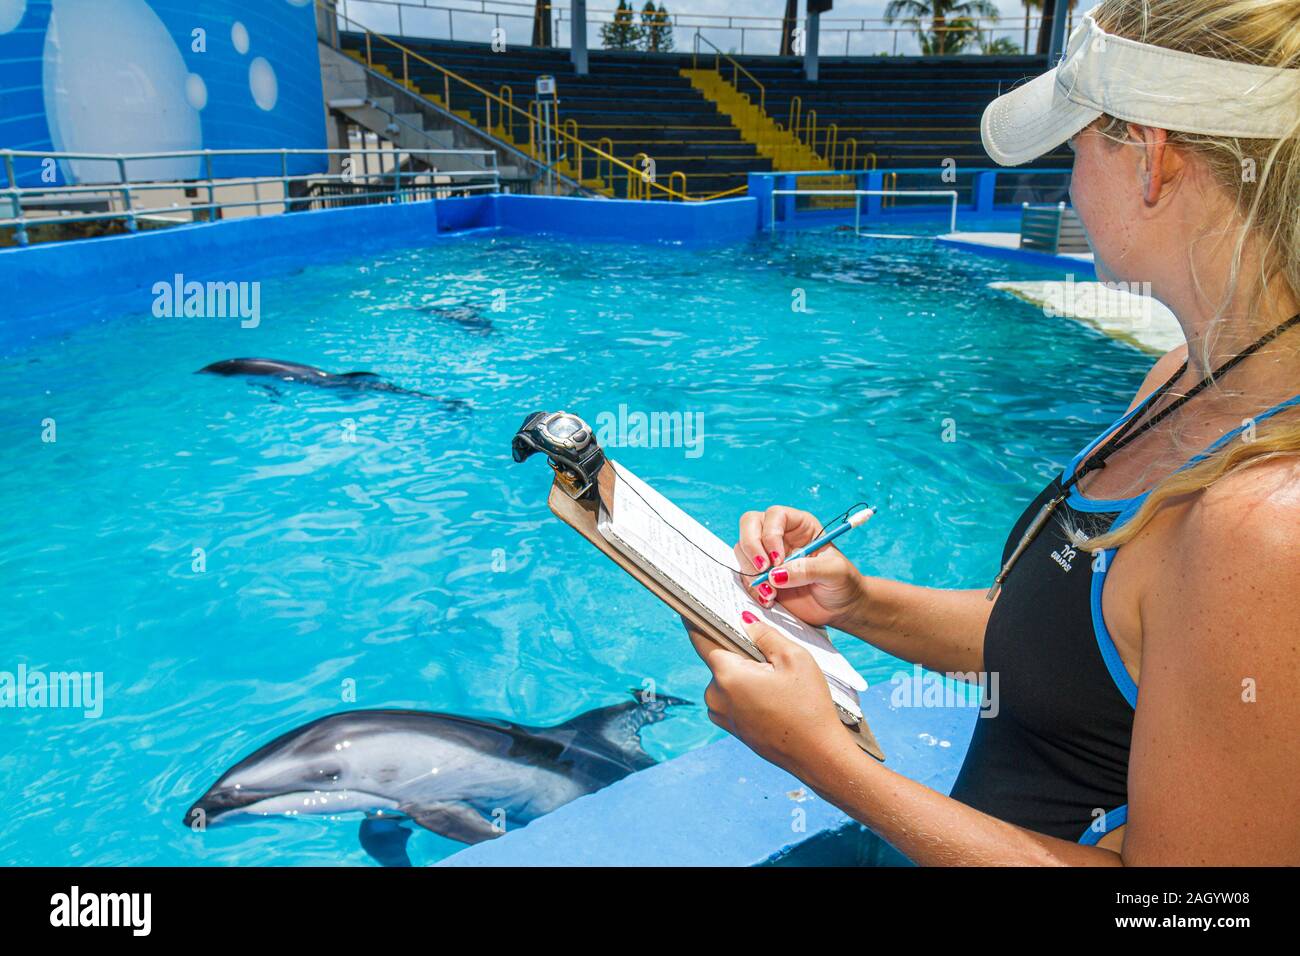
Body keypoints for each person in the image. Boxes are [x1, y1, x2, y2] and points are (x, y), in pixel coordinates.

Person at [687, 0, 1300, 865]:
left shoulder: (1266, 524)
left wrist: (822, 761)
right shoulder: (1185, 378)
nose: (1064, 182)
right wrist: (858, 604)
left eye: (1078, 146)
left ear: (1152, 159)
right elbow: (1071, 655)